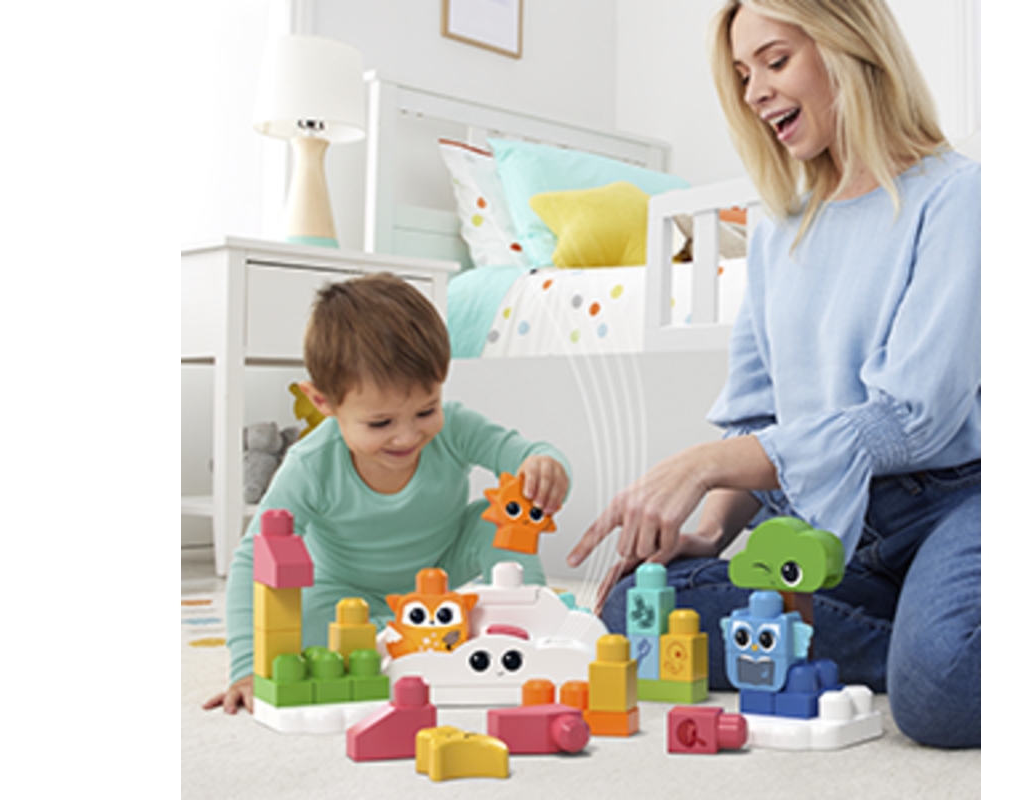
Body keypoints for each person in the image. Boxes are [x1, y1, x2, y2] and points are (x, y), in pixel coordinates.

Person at [567, 0, 979, 749]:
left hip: (954, 503)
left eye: (776, 61)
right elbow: (758, 417)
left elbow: (911, 420)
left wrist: (702, 463)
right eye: (742, 73)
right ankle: (927, 629)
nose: (755, 92)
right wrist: (710, 530)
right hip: (828, 523)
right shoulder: (777, 230)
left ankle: (933, 645)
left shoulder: (958, 197)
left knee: (940, 694)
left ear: (851, 49)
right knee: (634, 606)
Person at [204, 272, 570, 714]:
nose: (408, 436)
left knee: (494, 524)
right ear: (323, 402)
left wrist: (543, 466)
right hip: (344, 592)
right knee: (305, 632)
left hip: (441, 567)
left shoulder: (454, 427)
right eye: (381, 423)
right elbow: (253, 557)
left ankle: (526, 623)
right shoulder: (311, 464)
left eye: (426, 410)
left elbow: (527, 453)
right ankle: (406, 634)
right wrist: (246, 666)